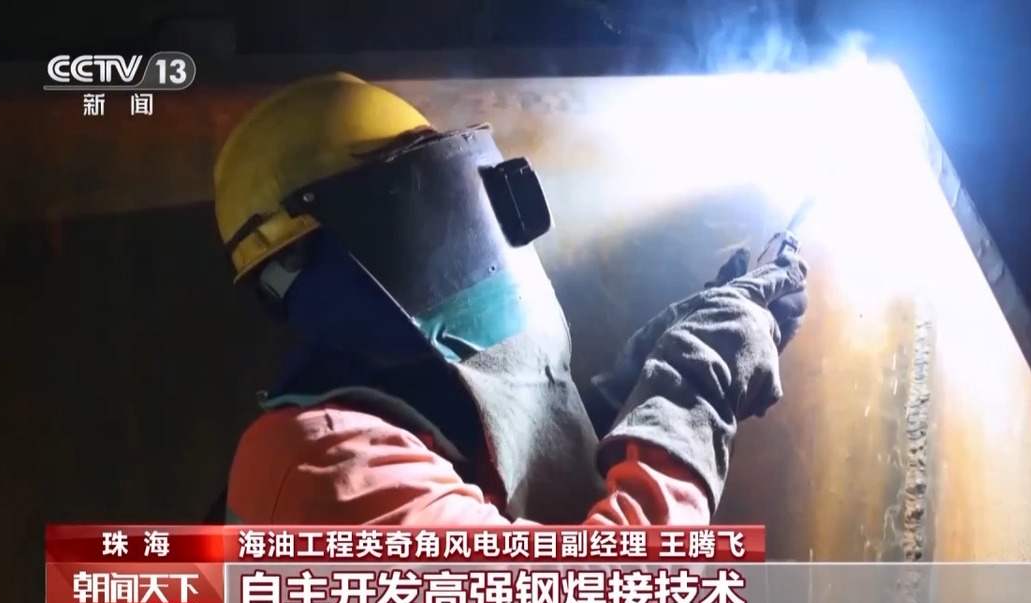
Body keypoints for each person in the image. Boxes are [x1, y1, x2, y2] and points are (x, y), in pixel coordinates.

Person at [214, 73, 808, 527]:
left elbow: (527, 492)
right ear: (297, 265)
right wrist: (695, 382)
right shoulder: (316, 463)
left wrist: (644, 382)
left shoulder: (415, 409)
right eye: (414, 208)